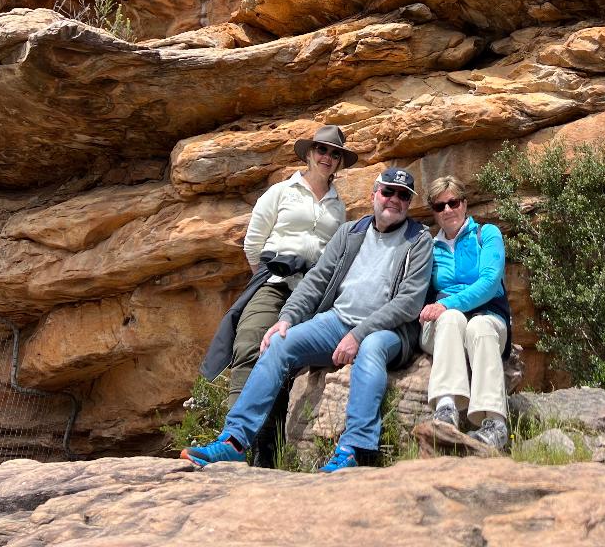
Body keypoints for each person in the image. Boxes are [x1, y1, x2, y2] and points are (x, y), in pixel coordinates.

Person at [183, 167, 432, 472]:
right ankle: (234, 442)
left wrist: (358, 335)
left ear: (409, 203)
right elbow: (316, 281)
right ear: (374, 195)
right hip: (338, 321)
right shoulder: (350, 232)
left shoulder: (419, 238)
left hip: (388, 331)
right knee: (278, 344)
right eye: (388, 191)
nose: (394, 199)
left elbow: (409, 302)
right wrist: (286, 318)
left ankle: (353, 449)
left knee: (371, 349)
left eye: (403, 195)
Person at [199, 125, 356, 411]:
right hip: (274, 280)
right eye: (322, 149)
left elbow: (334, 253)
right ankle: (234, 438)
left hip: (311, 288)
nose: (327, 157)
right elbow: (253, 243)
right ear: (309, 153)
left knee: (292, 358)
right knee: (249, 343)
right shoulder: (281, 191)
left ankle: (270, 445)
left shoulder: (338, 206)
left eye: (335, 153)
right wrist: (266, 274)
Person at [419, 175, 512, 452]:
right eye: (439, 206)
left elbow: (489, 282)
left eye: (453, 202)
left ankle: (495, 423)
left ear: (465, 203)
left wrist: (448, 303)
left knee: (478, 327)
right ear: (434, 212)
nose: (447, 210)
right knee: (451, 319)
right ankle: (446, 408)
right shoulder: (428, 246)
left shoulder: (487, 234)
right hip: (443, 324)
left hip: (488, 317)